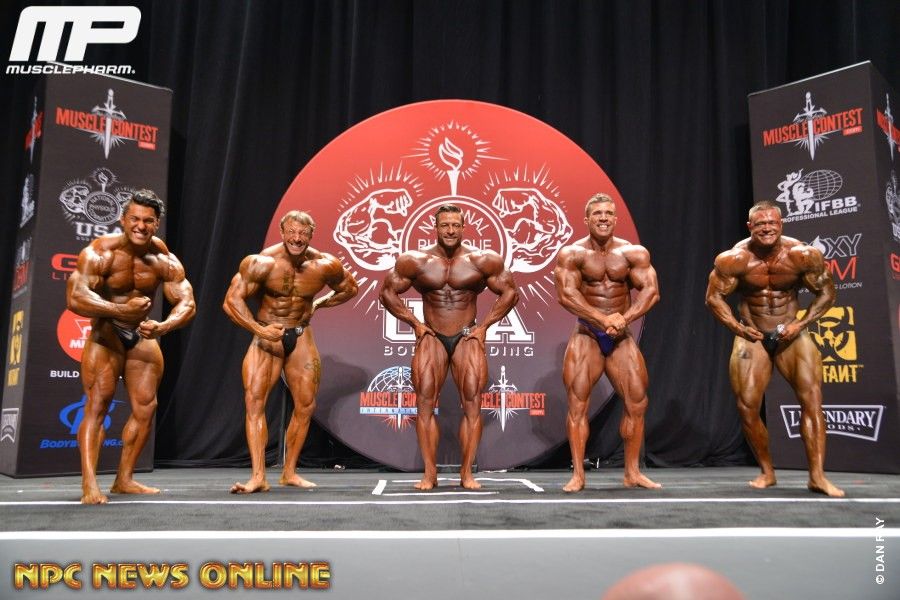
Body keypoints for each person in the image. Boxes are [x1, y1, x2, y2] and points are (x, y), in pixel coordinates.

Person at [705, 200, 844, 497]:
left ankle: (817, 477)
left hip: (791, 333)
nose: (766, 228)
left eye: (771, 223)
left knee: (812, 400)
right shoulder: (734, 260)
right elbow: (713, 298)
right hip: (751, 335)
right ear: (749, 227)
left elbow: (827, 293)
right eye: (760, 224)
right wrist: (738, 328)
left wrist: (801, 323)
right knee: (747, 407)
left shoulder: (802, 255)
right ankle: (767, 471)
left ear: (781, 224)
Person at [66, 189, 196, 504]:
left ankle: (124, 479)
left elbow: (187, 302)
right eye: (135, 219)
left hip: (141, 334)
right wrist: (120, 310)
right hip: (106, 333)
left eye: (148, 221)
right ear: (123, 220)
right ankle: (89, 485)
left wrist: (165, 325)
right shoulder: (100, 252)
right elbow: (76, 297)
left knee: (146, 407)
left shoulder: (164, 258)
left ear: (157, 223)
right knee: (98, 404)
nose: (141, 226)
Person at [379, 204, 519, 490]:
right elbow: (387, 293)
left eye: (456, 225)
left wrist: (484, 327)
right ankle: (429, 473)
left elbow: (510, 293)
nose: (451, 230)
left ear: (464, 227)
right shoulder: (415, 261)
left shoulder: (482, 260)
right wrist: (415, 324)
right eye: (445, 225)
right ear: (436, 227)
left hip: (466, 335)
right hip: (432, 336)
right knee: (424, 404)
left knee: (472, 403)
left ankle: (467, 473)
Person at [223, 210, 358, 493]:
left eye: (303, 233)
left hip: (301, 334)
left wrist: (319, 303)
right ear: (282, 232)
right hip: (267, 335)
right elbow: (231, 302)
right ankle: (258, 476)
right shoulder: (262, 262)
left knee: (306, 405)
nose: (297, 238)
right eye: (292, 232)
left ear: (311, 235)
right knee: (255, 402)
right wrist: (259, 330)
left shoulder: (324, 264)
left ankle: (289, 473)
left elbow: (349, 288)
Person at [554, 193, 661, 492]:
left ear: (615, 218)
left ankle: (632, 472)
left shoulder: (632, 253)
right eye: (597, 213)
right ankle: (578, 474)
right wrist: (602, 319)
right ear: (586, 220)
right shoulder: (572, 254)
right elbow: (566, 295)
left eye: (608, 213)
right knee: (577, 405)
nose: (603, 218)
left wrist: (623, 319)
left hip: (620, 336)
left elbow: (651, 291)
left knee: (637, 402)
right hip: (587, 334)